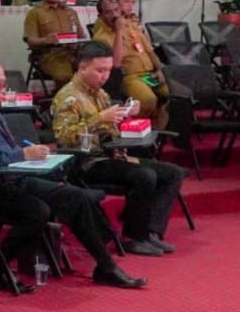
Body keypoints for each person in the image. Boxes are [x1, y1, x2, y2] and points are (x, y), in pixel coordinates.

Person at [0, 57, 147, 289]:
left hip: (11, 178)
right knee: (36, 211)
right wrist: (22, 155)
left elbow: (6, 151)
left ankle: (106, 267)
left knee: (77, 197)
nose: (4, 90)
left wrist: (32, 156)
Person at [51, 42, 184, 255]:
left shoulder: (100, 94)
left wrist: (124, 114)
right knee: (144, 175)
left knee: (173, 173)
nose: (105, 76)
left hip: (111, 154)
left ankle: (149, 231)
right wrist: (99, 119)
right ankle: (133, 236)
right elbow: (64, 137)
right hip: (85, 162)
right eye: (99, 70)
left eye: (108, 70)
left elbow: (110, 130)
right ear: (82, 67)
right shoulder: (68, 97)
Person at [92, 0, 169, 129]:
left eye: (116, 10)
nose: (114, 15)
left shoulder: (132, 26)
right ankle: (135, 130)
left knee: (176, 95)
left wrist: (160, 69)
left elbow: (150, 52)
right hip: (129, 77)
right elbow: (116, 64)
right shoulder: (102, 37)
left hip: (150, 75)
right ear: (101, 16)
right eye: (108, 12)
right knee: (148, 99)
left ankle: (159, 129)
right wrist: (119, 31)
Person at [23, 0, 86, 88]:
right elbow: (30, 40)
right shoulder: (35, 13)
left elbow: (81, 36)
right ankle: (64, 97)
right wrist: (45, 40)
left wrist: (77, 43)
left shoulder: (70, 12)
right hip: (50, 54)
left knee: (93, 71)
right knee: (65, 76)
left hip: (73, 53)